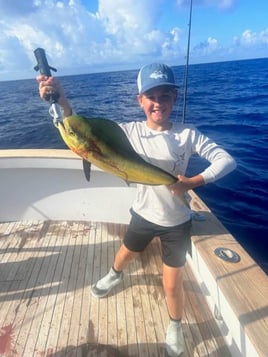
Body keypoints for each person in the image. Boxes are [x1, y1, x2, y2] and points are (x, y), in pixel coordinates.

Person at [37, 63, 236, 357]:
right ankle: (115, 274)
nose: (158, 103)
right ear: (139, 100)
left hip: (177, 223)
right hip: (143, 213)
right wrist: (60, 98)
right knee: (125, 252)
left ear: (174, 99)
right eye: (151, 96)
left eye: (165, 96)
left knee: (172, 285)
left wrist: (192, 182)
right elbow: (80, 127)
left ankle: (175, 325)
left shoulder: (187, 135)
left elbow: (226, 160)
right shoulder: (129, 131)